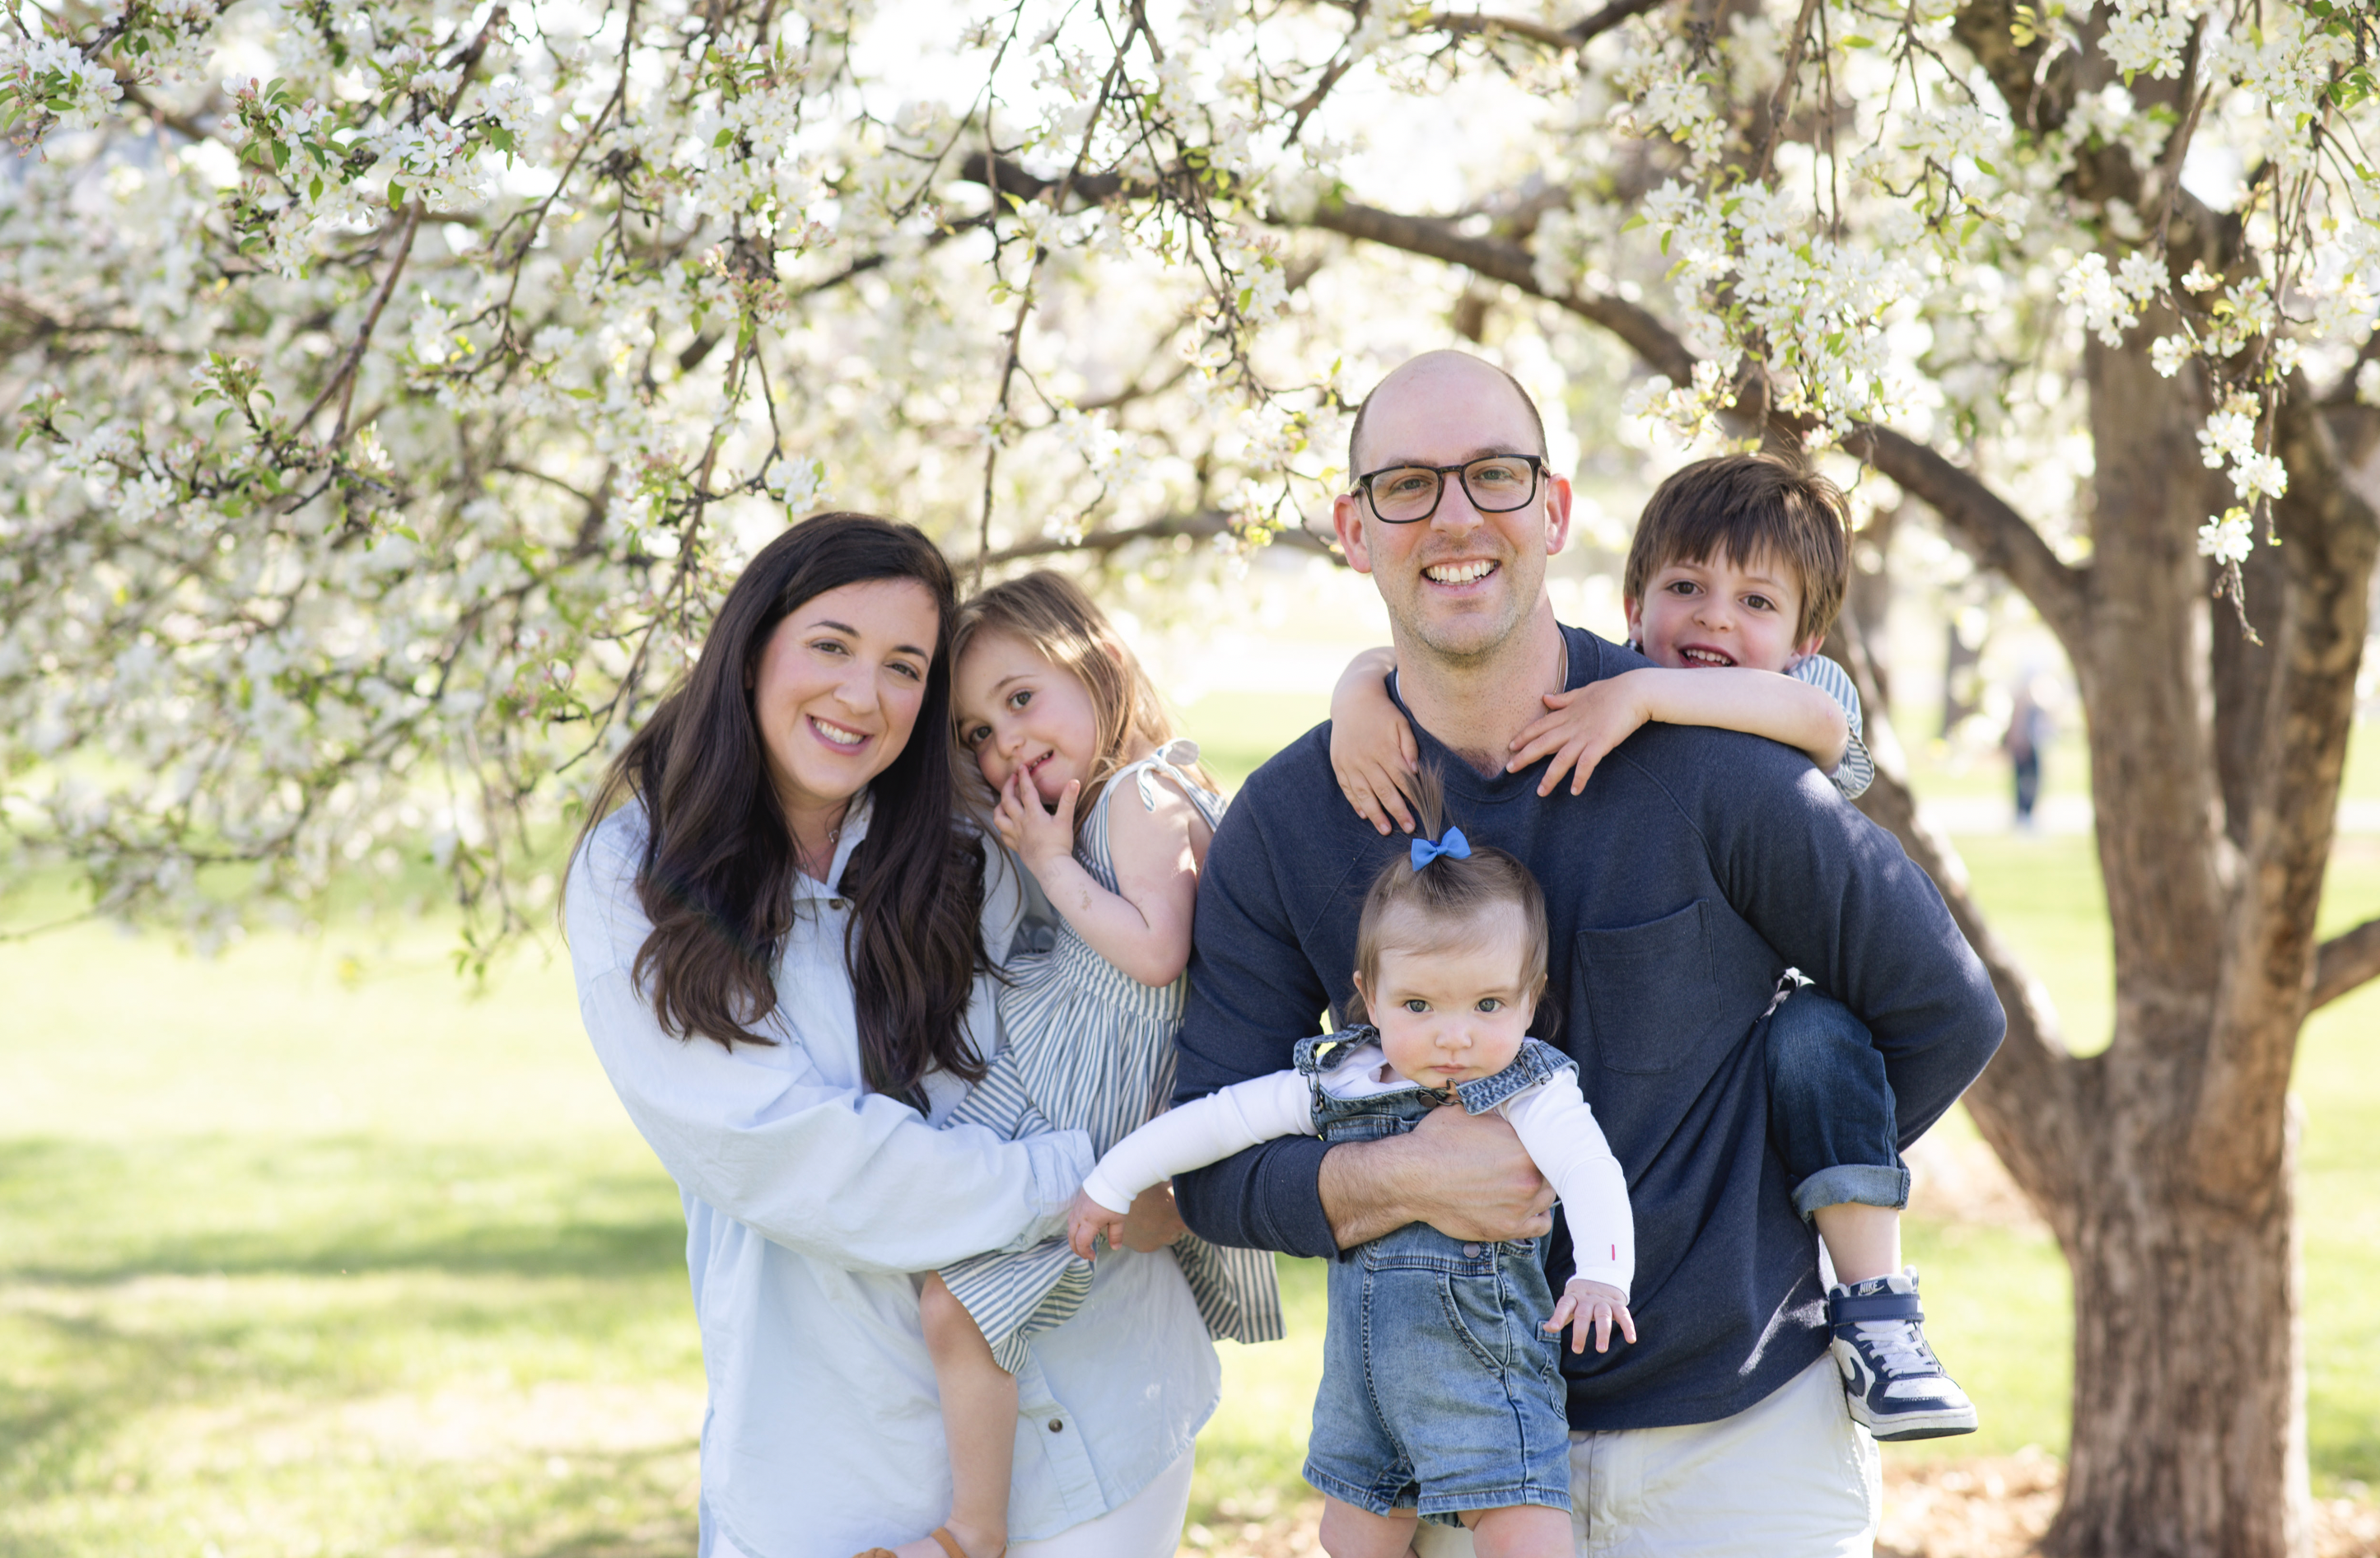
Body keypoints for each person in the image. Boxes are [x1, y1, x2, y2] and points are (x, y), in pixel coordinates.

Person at [1170, 351, 2005, 1556]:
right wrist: (1398, 1181)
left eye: (1493, 477)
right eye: (1407, 485)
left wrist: (1766, 1199)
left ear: (1552, 511)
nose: (1455, 516)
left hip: (1739, 1444)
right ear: (1353, 532)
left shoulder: (1715, 755)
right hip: (1450, 1455)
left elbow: (1943, 1008)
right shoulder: (1294, 819)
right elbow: (1211, 1162)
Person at [565, 514, 1217, 1558]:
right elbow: (797, 1154)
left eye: (904, 666)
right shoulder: (639, 872)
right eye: (830, 645)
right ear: (752, 647)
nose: (863, 696)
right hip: (841, 1459)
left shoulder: (970, 820)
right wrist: (1093, 1179)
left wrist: (1369, 686)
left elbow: (1155, 971)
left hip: (1098, 1411)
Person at [1328, 454, 1978, 1443]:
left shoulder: (1794, 691)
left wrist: (1641, 697)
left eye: (1752, 599)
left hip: (1799, 1022)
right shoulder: (1602, 682)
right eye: (1685, 588)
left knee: (1815, 1041)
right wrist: (1353, 692)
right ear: (1634, 602)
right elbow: (1404, 656)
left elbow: (1813, 720)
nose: (1713, 619)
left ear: (1804, 637)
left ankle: (1879, 1308)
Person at [1068, 777, 1634, 1558]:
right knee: (1349, 1535)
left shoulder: (1533, 1088)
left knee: (1526, 1533)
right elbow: (1220, 1118)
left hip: (1485, 1374)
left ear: (1530, 1000)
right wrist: (1113, 1180)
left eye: (1488, 1006)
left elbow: (1590, 1169)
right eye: (1419, 1007)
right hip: (1362, 1388)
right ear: (1368, 999)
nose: (1454, 1037)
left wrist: (1604, 1272)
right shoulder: (1342, 1076)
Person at [888, 572, 1280, 1558]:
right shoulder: (1111, 796)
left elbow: (1154, 950)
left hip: (1081, 1092)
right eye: (975, 732)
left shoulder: (1141, 793)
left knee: (956, 1300)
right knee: (953, 1295)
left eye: (1021, 699)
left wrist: (1053, 863)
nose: (1002, 742)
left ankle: (974, 1527)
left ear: (1100, 668)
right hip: (1081, 1070)